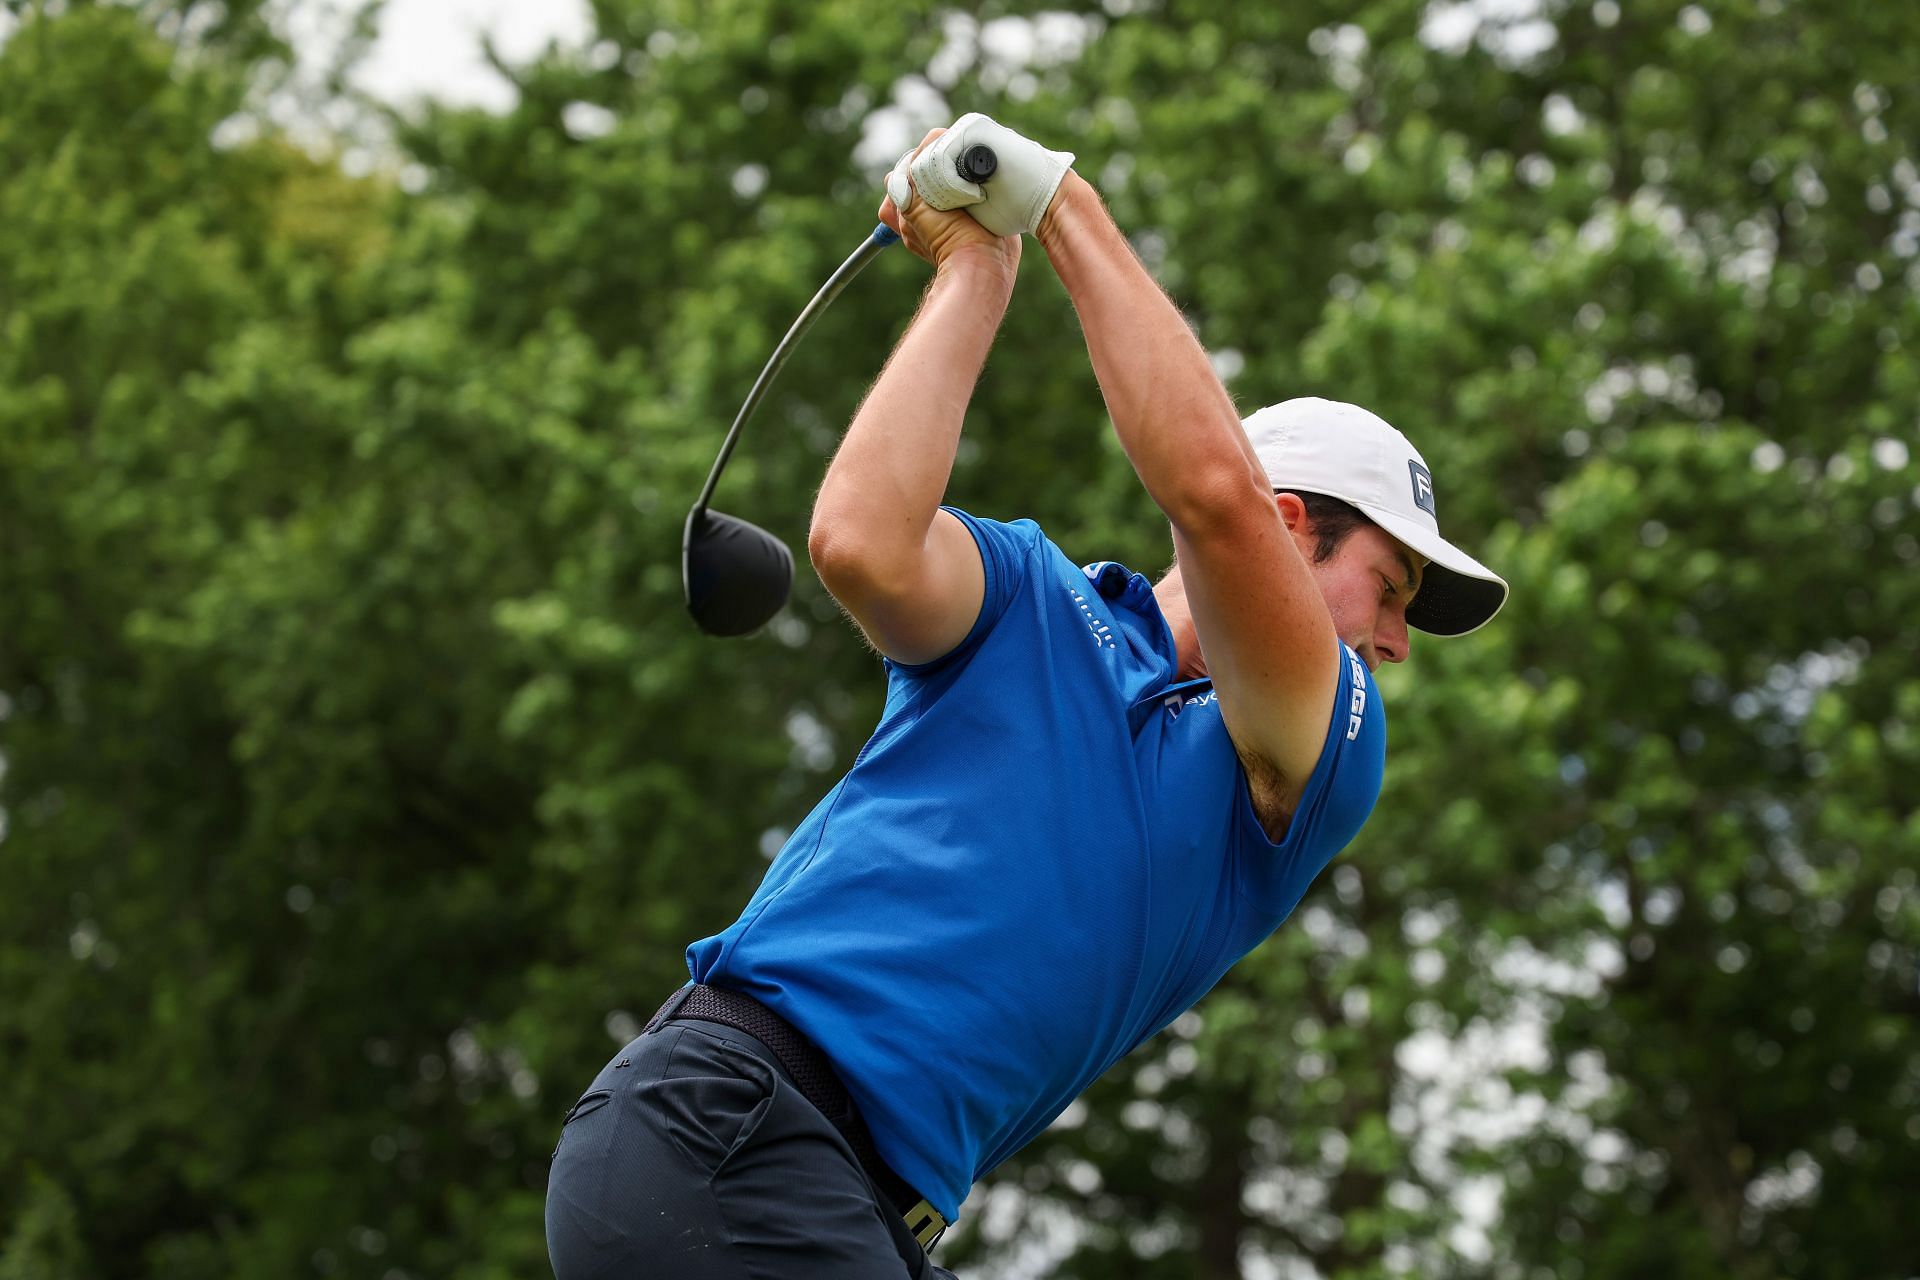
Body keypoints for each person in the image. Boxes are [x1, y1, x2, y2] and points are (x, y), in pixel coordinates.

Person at [544, 114, 1507, 1280]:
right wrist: (977, 267)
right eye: (1390, 587)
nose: (1396, 642)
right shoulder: (1033, 595)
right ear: (1295, 528)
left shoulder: (1320, 751)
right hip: (723, 1130)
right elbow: (863, 544)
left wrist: (1061, 199)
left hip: (835, 1198)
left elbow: (1213, 496)